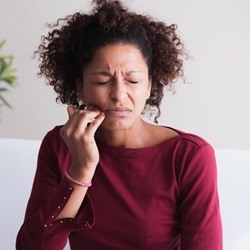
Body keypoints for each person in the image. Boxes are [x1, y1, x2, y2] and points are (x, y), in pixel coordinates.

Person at [16, 0, 222, 249]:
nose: (119, 94)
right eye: (103, 81)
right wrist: (81, 168)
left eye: (132, 81)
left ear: (149, 86)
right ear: (80, 87)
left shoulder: (190, 155)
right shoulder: (60, 145)